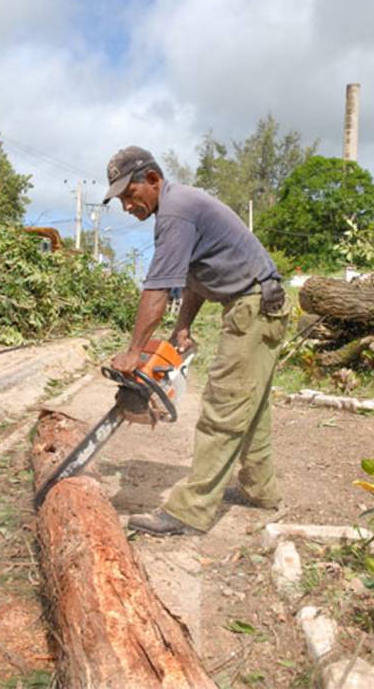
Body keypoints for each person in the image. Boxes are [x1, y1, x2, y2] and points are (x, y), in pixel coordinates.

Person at [103, 145, 289, 536]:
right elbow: (194, 276)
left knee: (224, 403)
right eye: (120, 199)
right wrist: (182, 324)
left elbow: (156, 289)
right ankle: (260, 490)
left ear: (152, 179)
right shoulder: (177, 208)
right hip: (253, 304)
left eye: (129, 195)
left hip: (252, 306)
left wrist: (136, 351)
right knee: (250, 405)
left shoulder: (176, 211)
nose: (127, 207)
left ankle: (190, 513)